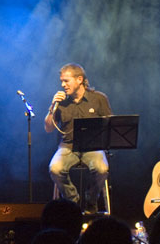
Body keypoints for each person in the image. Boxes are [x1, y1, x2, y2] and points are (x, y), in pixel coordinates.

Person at [44, 63, 111, 214]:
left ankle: (91, 200)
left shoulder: (99, 98)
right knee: (55, 168)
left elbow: (109, 126)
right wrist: (53, 105)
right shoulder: (61, 102)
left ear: (79, 79)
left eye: (66, 81)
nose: (63, 85)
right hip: (67, 146)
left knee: (102, 169)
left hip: (93, 146)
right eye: (61, 81)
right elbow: (48, 128)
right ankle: (72, 202)